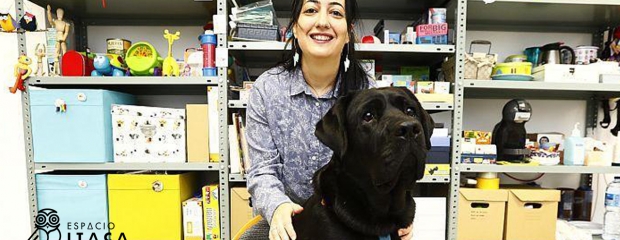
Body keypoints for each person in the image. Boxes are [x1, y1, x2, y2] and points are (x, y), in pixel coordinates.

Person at [245, 0, 413, 239]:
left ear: (348, 32)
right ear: (294, 27)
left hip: (354, 219)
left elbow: (387, 163)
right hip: (289, 218)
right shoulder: (267, 89)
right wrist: (277, 207)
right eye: (311, 10)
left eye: (335, 12)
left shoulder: (368, 95)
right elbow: (262, 170)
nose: (322, 22)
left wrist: (398, 210)